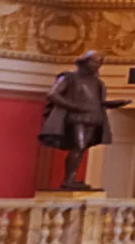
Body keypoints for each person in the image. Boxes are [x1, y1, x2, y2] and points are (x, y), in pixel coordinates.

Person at [38, 51, 125, 191]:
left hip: (93, 117)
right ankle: (68, 180)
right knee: (78, 146)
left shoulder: (97, 83)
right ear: (84, 61)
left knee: (81, 148)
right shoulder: (69, 78)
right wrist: (74, 106)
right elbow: (53, 95)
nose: (97, 65)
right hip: (76, 117)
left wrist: (112, 104)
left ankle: (71, 178)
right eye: (94, 61)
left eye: (99, 62)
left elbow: (98, 102)